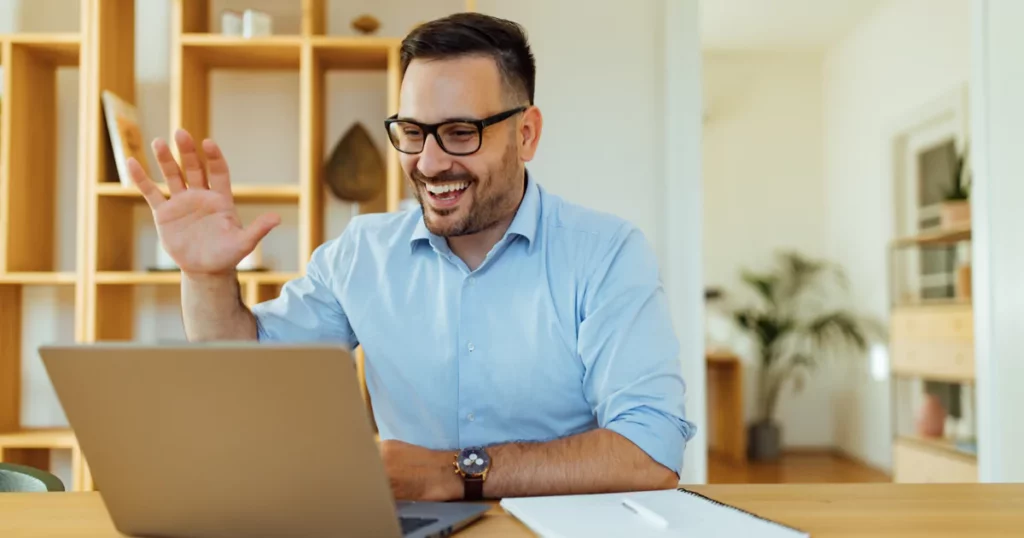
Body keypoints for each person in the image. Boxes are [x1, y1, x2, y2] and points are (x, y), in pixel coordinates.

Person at [127, 12, 696, 502]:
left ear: (526, 134)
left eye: (459, 132)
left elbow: (650, 450)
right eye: (413, 132)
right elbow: (248, 374)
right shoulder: (362, 253)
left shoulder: (606, 253)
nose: (428, 163)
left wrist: (452, 474)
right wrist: (204, 276)